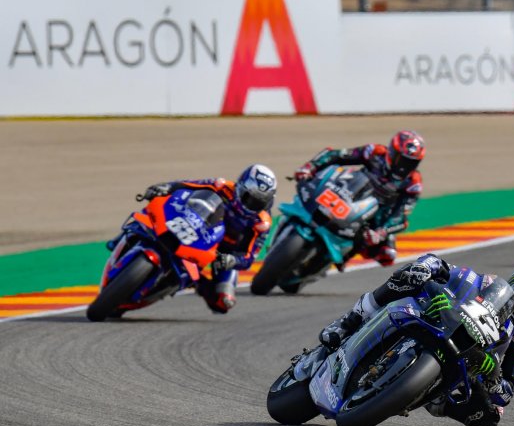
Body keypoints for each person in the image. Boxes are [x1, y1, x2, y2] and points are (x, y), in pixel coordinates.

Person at [317, 254, 514, 426]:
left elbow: (506, 394)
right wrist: (425, 268)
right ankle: (349, 321)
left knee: (491, 417)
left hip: (469, 365)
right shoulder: (483, 284)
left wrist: (492, 378)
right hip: (436, 315)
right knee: (409, 276)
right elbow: (440, 265)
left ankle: (431, 397)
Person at [138, 164, 277, 314]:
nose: (252, 205)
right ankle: (135, 234)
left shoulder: (262, 223)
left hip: (222, 253)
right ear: (241, 187)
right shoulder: (222, 186)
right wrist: (165, 187)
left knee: (224, 302)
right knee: (154, 215)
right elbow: (187, 185)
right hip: (197, 228)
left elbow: (249, 257)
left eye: (259, 202)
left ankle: (195, 282)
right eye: (249, 198)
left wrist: (232, 260)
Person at [292, 130, 425, 267]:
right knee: (314, 185)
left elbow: (401, 215)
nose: (404, 166)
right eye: (402, 160)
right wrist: (310, 166)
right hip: (348, 189)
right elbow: (337, 155)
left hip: (375, 215)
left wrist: (382, 231)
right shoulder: (375, 152)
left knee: (388, 255)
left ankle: (343, 255)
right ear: (392, 152)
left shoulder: (413, 182)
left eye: (411, 163)